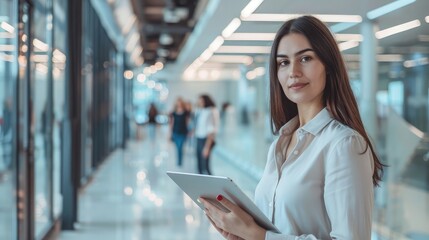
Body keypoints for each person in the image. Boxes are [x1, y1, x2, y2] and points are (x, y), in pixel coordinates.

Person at [199, 15, 384, 240]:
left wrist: (258, 235)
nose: (293, 71)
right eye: (283, 62)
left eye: (305, 58)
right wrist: (243, 234)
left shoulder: (343, 144)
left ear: (328, 65)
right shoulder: (281, 141)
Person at [194, 94, 219, 175]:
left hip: (206, 140)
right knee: (199, 164)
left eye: (201, 101)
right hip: (199, 138)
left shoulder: (209, 111)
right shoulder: (200, 111)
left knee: (205, 165)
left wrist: (207, 147)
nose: (199, 103)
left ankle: (211, 183)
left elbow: (211, 130)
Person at [169, 98, 189, 167]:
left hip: (183, 132)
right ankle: (179, 161)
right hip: (175, 132)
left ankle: (180, 161)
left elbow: (187, 123)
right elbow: (172, 123)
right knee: (177, 147)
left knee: (181, 147)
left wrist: (188, 131)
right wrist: (170, 133)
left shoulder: (186, 112)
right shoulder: (173, 113)